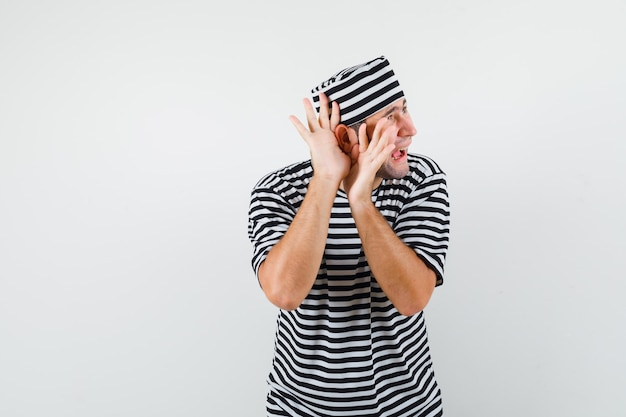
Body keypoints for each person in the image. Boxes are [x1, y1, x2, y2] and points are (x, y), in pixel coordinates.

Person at [248, 55, 451, 417]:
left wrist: (360, 201)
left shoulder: (422, 180)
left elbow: (412, 298)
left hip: (407, 408)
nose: (411, 128)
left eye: (405, 109)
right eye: (391, 116)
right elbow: (283, 293)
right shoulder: (276, 191)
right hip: (299, 409)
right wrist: (326, 180)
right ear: (345, 135)